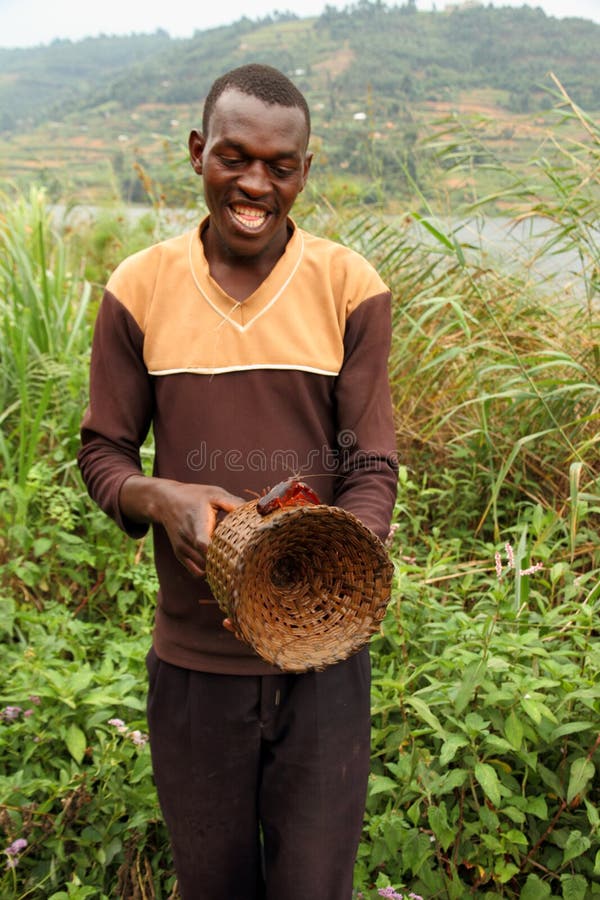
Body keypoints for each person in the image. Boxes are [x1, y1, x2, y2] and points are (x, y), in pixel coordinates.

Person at [78, 63, 398, 900]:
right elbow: (104, 454)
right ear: (197, 153)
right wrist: (164, 499)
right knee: (212, 886)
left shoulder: (348, 288)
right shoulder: (139, 288)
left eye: (279, 166)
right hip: (193, 664)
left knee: (312, 888)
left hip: (323, 670)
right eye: (234, 157)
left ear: (303, 171)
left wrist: (332, 566)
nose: (256, 184)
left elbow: (370, 465)